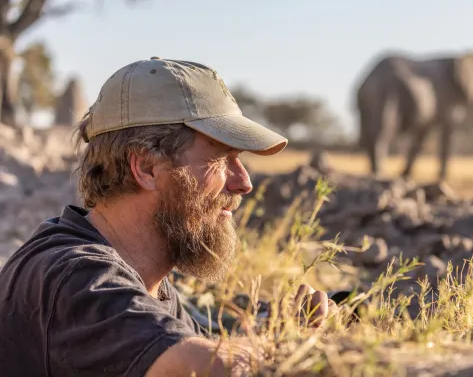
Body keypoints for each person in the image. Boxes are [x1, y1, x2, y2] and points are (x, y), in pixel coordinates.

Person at [0, 57, 337, 376]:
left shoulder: (150, 284)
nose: (244, 182)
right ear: (146, 167)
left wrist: (287, 320)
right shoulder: (72, 274)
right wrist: (297, 343)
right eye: (221, 159)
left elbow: (204, 341)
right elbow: (197, 367)